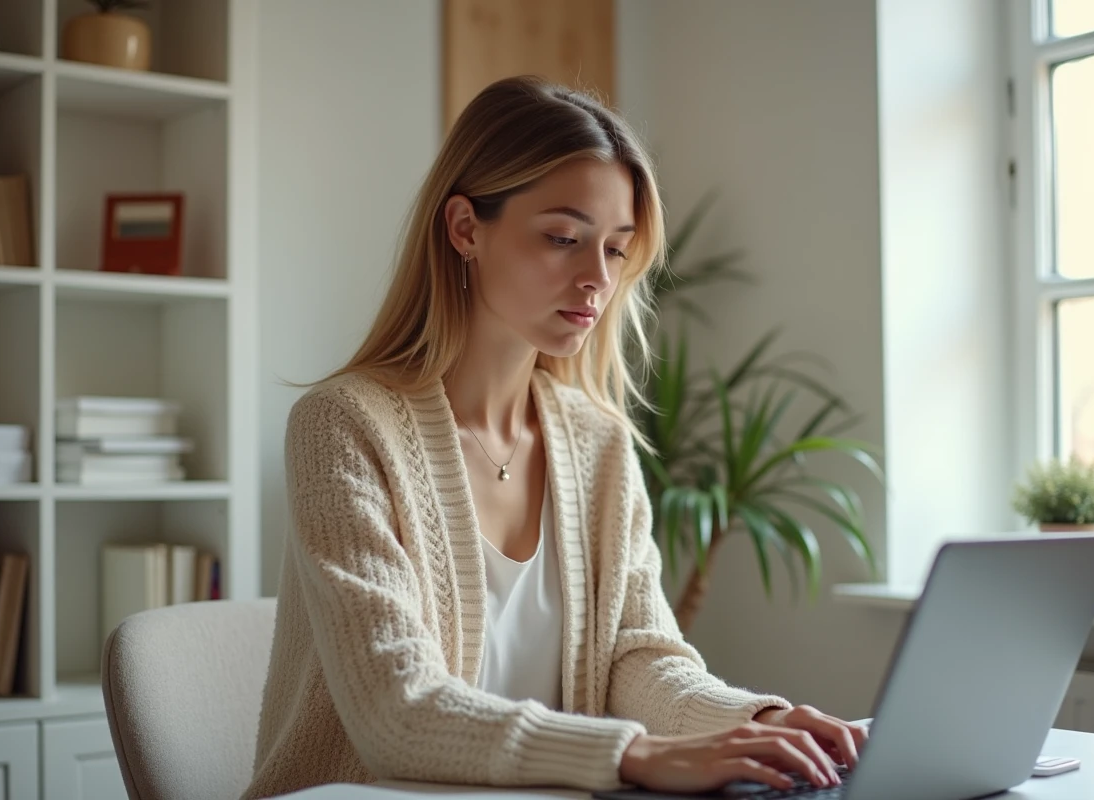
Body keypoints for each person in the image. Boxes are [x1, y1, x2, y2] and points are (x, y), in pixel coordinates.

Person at [242, 75, 866, 800]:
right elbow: (397, 711)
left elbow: (637, 658)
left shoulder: (599, 444)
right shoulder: (342, 427)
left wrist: (764, 722)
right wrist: (634, 755)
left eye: (616, 249)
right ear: (465, 229)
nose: (595, 279)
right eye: (564, 239)